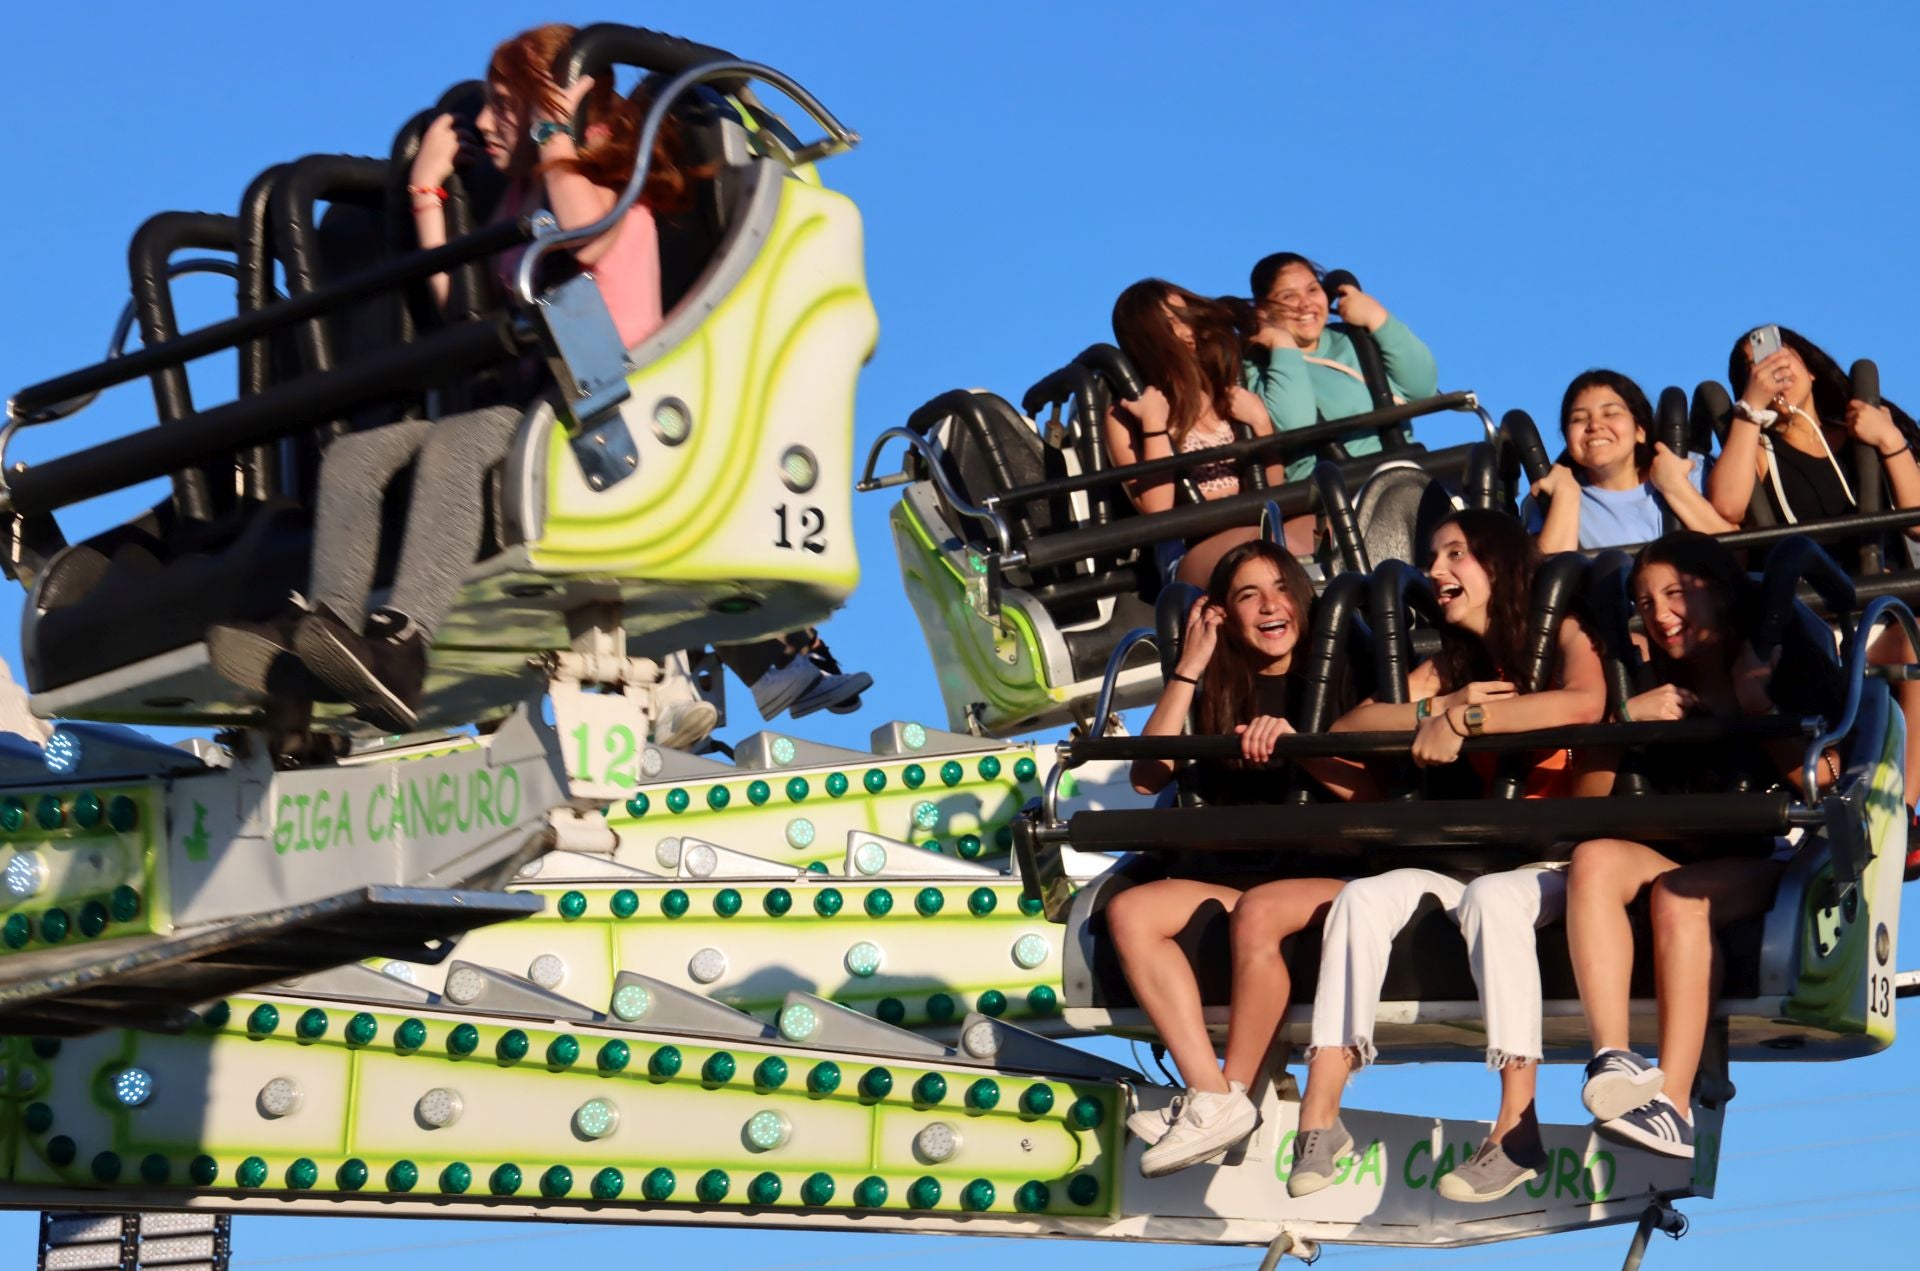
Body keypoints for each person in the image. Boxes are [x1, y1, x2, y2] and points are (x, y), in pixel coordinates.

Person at [1287, 509, 1607, 1204]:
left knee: (1495, 899)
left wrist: (1467, 720)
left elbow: (1584, 703)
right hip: (1474, 856)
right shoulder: (1456, 665)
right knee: (1359, 898)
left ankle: (1519, 1119)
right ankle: (1321, 1111)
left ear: (1500, 566)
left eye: (1456, 554)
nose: (1437, 572)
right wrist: (1443, 703)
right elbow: (1350, 727)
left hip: (1558, 861)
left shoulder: (1560, 634)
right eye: (1433, 557)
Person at [1565, 532, 1842, 1158]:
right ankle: (1613, 1061)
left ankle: (1674, 1105)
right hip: (1679, 846)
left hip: (1771, 856)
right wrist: (1624, 718)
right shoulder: (1644, 674)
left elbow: (1828, 784)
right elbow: (1585, 804)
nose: (1659, 615)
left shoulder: (1775, 657)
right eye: (1644, 601)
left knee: (1679, 896)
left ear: (1716, 591)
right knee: (1596, 859)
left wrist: (1756, 707)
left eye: (1674, 594)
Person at [1112, 540, 1376, 1176]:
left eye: (1279, 588)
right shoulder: (1218, 682)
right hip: (1235, 873)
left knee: (1258, 909)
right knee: (1128, 912)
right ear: (1225, 614)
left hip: (1330, 876)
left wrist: (1302, 747)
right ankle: (1215, 1096)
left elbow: (1376, 793)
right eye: (1247, 595)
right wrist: (1189, 668)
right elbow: (1148, 776)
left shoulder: (1339, 672)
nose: (1268, 606)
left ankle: (1227, 1092)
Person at [1708, 326, 1920, 857]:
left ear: (1809, 364)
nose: (1776, 367)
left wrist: (1889, 439)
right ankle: (1825, 801)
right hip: (1807, 624)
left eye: (1785, 356)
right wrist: (1750, 411)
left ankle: (1903, 810)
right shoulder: (1759, 450)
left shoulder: (1861, 433)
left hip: (1878, 617)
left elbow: (1917, 524)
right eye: (1757, 364)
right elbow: (1729, 507)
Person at [1102, 280, 1287, 585]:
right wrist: (1154, 427)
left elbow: (1275, 484)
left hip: (1258, 523)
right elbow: (1157, 510)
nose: (1187, 331)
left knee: (1332, 531)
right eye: (1171, 323)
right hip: (1191, 546)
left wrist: (1261, 423)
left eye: (1186, 316)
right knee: (1260, 556)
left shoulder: (1222, 392)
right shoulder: (1126, 414)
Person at [1242, 253, 1437, 486]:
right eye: (1287, 297)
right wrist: (1283, 346)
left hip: (1406, 472)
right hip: (1327, 491)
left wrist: (1379, 318)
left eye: (1313, 290)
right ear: (1262, 310)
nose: (1305, 304)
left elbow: (1421, 387)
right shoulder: (1256, 365)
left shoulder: (1355, 338)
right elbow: (1295, 424)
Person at [1525, 369, 1735, 552]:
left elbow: (1738, 557)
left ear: (1640, 430)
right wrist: (1565, 496)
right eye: (1578, 419)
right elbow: (1546, 583)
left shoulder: (1688, 468)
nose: (1595, 425)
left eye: (1610, 414)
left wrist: (1676, 487)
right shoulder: (1549, 495)